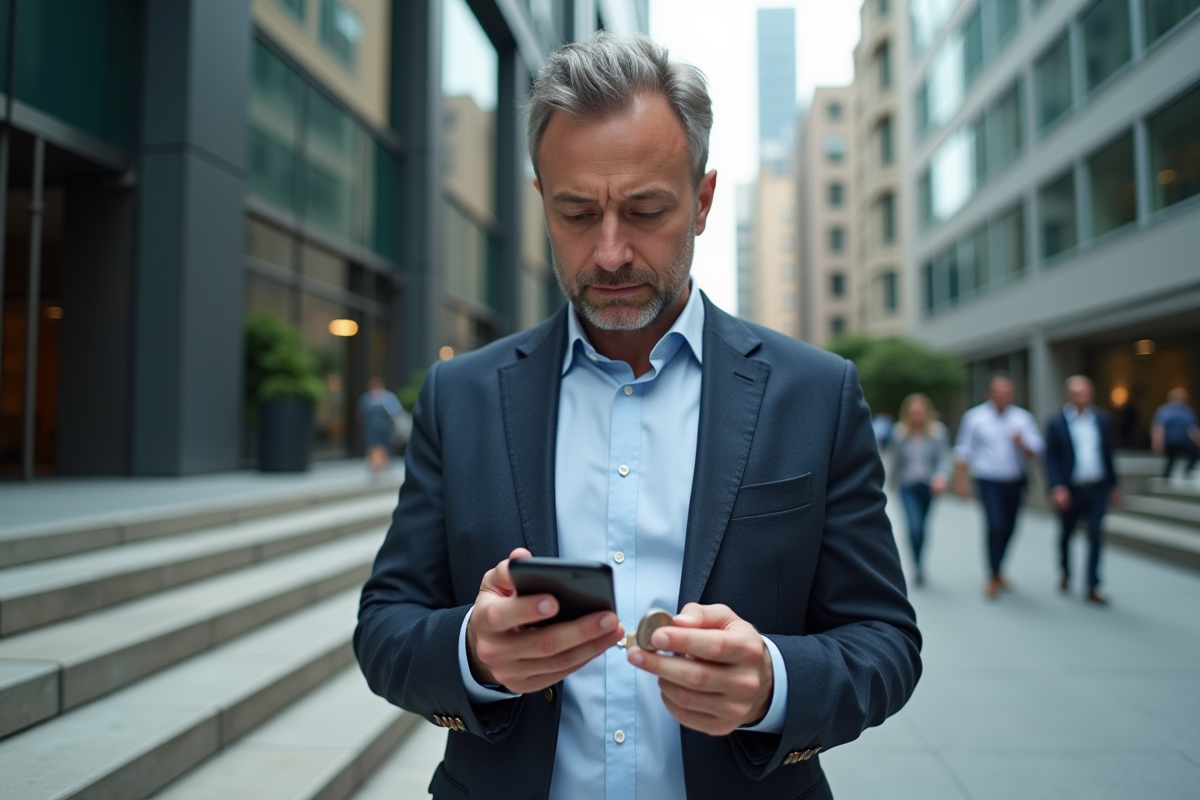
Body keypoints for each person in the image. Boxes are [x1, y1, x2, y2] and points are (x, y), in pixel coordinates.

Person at [354, 33, 920, 800]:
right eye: (578, 213)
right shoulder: (462, 396)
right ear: (540, 205)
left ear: (704, 200)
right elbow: (385, 627)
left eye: (646, 209)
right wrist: (474, 655)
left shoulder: (815, 393)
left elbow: (884, 642)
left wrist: (773, 684)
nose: (611, 252)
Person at [954, 374, 1044, 599]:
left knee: (1010, 527)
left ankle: (999, 567)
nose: (1003, 397)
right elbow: (963, 449)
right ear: (990, 394)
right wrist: (961, 480)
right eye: (998, 393)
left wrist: (1021, 442)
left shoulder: (1022, 419)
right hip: (988, 480)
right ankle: (993, 575)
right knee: (995, 525)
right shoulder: (975, 417)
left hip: (1014, 481)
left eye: (1007, 394)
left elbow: (1036, 451)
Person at [1044, 376, 1119, 605]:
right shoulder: (1056, 422)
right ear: (1068, 395)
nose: (1082, 397)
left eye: (1085, 392)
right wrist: (1057, 487)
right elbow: (1051, 459)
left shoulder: (1101, 419)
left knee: (1095, 535)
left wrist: (1114, 484)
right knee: (1067, 534)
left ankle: (1093, 584)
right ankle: (1066, 572)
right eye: (1077, 393)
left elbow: (1108, 454)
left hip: (1096, 487)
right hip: (1070, 489)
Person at [890, 394, 951, 587]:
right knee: (914, 527)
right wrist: (888, 484)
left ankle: (920, 562)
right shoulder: (900, 433)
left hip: (928, 486)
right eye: (913, 412)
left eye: (920, 412)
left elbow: (944, 458)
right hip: (907, 485)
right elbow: (895, 461)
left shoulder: (938, 432)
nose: (917, 416)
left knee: (922, 528)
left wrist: (941, 476)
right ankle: (916, 566)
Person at [357, 377, 405, 474]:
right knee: (373, 446)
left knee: (383, 446)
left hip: (385, 427)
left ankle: (381, 466)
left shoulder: (389, 398)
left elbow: (396, 413)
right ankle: (376, 466)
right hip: (371, 427)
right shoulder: (366, 398)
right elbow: (360, 413)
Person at [1151, 388, 1200, 479]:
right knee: (1170, 461)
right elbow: (1159, 428)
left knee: (1194, 456)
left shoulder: (1186, 411)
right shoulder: (1165, 411)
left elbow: (1193, 429)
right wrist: (1158, 442)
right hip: (1171, 441)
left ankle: (1186, 472)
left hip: (1181, 441)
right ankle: (1167, 478)